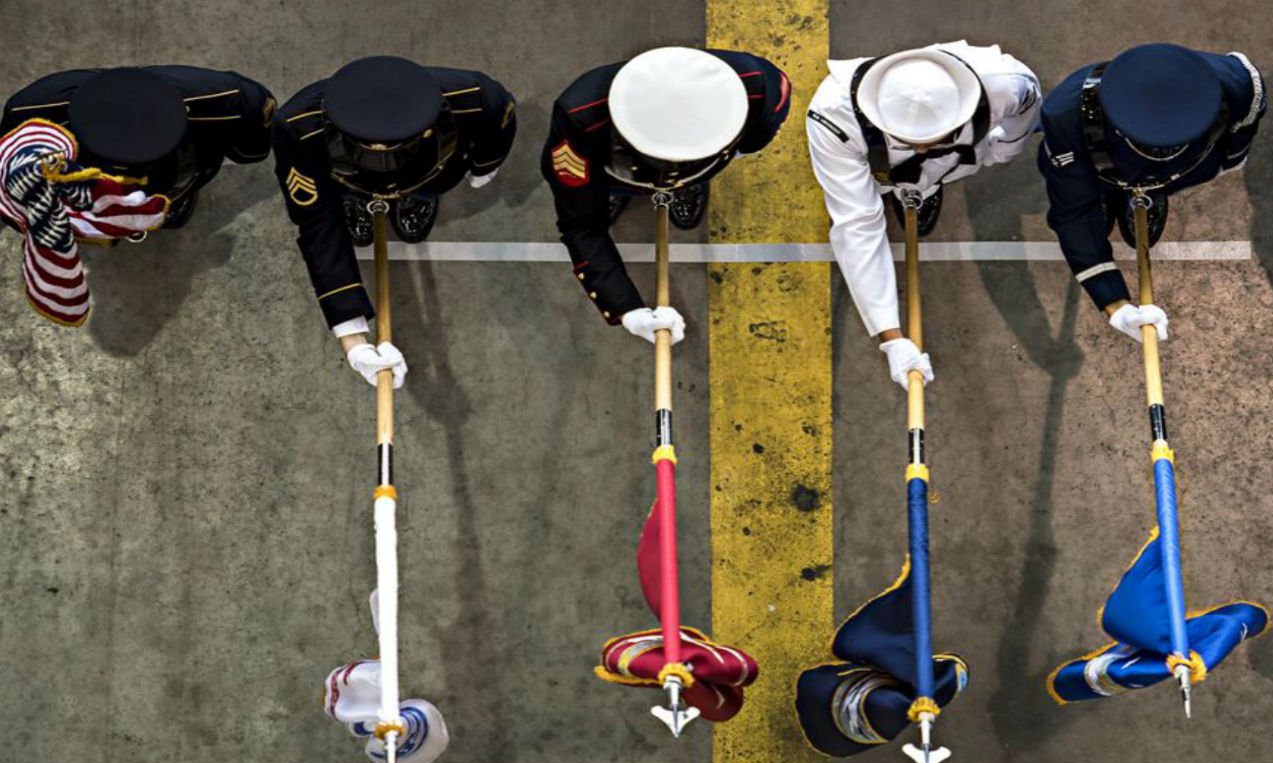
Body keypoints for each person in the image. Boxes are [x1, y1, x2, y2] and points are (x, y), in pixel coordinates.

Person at [272, 55, 516, 387]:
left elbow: (498, 129)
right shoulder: (297, 126)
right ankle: (359, 203)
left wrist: (484, 165)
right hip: (349, 180)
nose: (383, 167)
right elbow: (318, 226)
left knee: (424, 190)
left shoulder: (476, 97)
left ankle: (414, 202)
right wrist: (353, 340)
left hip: (424, 177)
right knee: (345, 196)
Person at [808, 41, 1040, 390]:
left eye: (932, 139)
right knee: (882, 184)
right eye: (909, 141)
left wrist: (1004, 149)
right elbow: (857, 226)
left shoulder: (1005, 82)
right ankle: (906, 189)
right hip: (875, 165)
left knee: (934, 174)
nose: (920, 149)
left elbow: (1028, 104)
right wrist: (892, 337)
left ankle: (925, 188)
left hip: (956, 161)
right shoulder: (832, 118)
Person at [541, 46, 791, 343]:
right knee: (591, 196)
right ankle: (614, 193)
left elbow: (754, 139)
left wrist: (696, 167)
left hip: (701, 164)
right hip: (617, 172)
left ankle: (688, 183)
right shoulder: (579, 117)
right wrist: (627, 309)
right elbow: (582, 225)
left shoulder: (761, 86)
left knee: (686, 178)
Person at [0, 66, 275, 325]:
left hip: (178, 179)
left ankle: (172, 204)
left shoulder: (235, 102)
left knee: (174, 199)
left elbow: (247, 151)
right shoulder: (29, 112)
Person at [1038, 43, 1265, 342]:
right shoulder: (1067, 118)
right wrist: (1115, 303)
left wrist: (1230, 160)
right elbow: (1074, 214)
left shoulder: (1236, 82)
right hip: (1098, 168)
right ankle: (1110, 197)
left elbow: (1245, 122)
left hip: (1183, 170)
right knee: (1088, 198)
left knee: (1163, 181)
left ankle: (1148, 192)